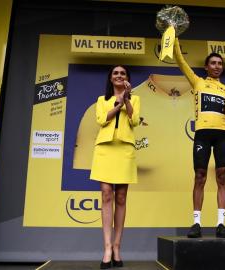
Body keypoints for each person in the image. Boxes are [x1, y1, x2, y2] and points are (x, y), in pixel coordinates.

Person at [173, 38, 225, 238]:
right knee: (200, 176)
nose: (217, 66)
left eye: (220, 63)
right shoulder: (198, 82)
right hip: (203, 135)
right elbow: (181, 61)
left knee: (222, 176)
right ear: (207, 67)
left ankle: (221, 224)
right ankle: (196, 223)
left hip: (223, 135)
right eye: (213, 63)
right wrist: (174, 38)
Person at [90, 65, 140, 269]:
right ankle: (107, 248)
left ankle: (118, 247)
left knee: (121, 197)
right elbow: (102, 120)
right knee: (106, 194)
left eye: (123, 74)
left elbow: (134, 120)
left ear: (128, 78)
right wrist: (118, 103)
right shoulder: (102, 100)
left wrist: (126, 99)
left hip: (125, 149)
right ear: (110, 79)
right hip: (105, 149)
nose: (119, 76)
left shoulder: (135, 99)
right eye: (115, 73)